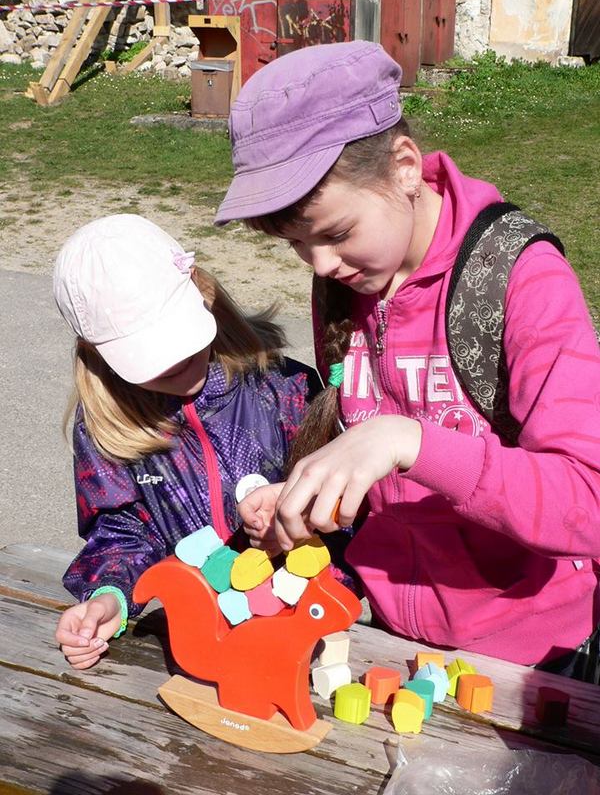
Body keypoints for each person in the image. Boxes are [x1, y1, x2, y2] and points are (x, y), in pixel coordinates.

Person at [217, 41, 600, 680]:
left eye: (336, 233)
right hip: (389, 637)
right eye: (297, 244)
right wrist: (316, 495)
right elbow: (374, 455)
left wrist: (409, 441)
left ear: (404, 167)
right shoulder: (349, 280)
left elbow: (587, 499)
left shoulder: (521, 279)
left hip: (529, 657)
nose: (321, 265)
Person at [53, 213, 321, 669]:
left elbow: (353, 516)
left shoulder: (286, 389)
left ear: (201, 290)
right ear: (95, 352)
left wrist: (301, 524)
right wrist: (108, 598)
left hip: (306, 634)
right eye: (147, 353)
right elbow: (122, 533)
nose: (174, 362)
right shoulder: (107, 423)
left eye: (176, 336)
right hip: (195, 638)